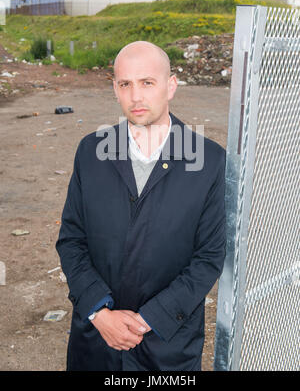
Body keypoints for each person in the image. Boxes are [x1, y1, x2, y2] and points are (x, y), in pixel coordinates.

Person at [56, 40, 226, 371]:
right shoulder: (91, 152)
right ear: (115, 89)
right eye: (125, 84)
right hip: (96, 344)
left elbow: (208, 258)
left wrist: (148, 319)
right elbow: (71, 240)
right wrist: (99, 313)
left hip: (167, 345)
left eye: (147, 82)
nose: (136, 96)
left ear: (170, 86)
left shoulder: (207, 160)